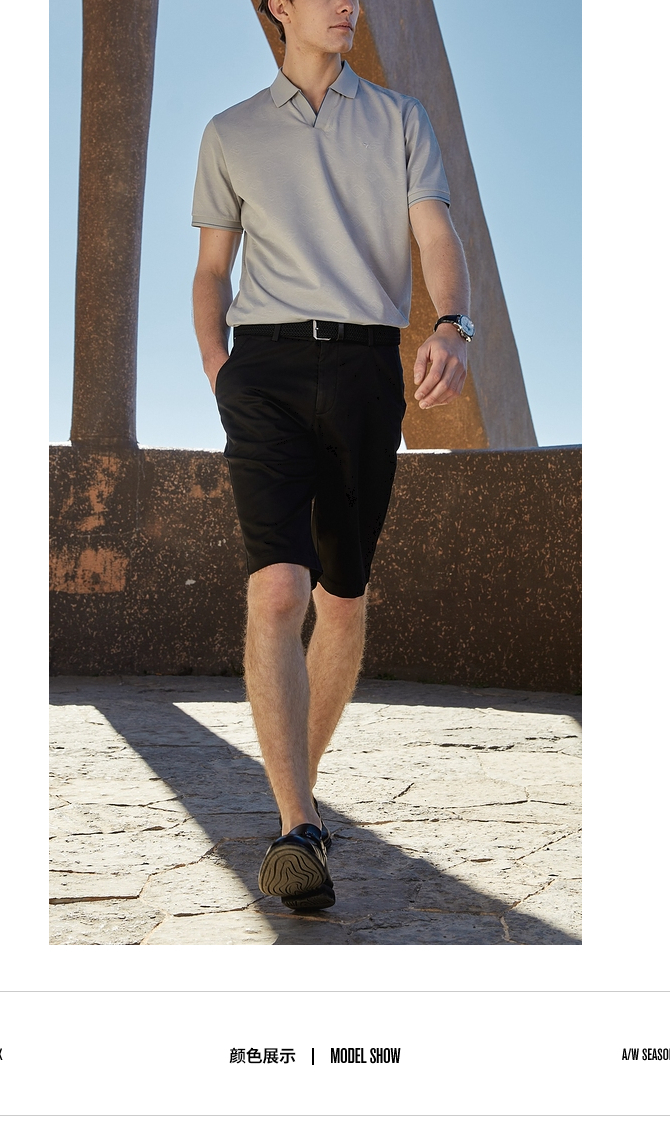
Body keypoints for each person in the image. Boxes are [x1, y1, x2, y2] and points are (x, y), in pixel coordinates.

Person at [191, 0, 473, 912]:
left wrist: (451, 323)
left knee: (342, 601)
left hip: (364, 369)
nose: (346, 2)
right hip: (264, 371)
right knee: (278, 590)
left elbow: (434, 231)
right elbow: (212, 269)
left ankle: (298, 804)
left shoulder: (401, 119)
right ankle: (298, 829)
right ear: (279, 5)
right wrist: (222, 371)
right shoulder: (229, 132)